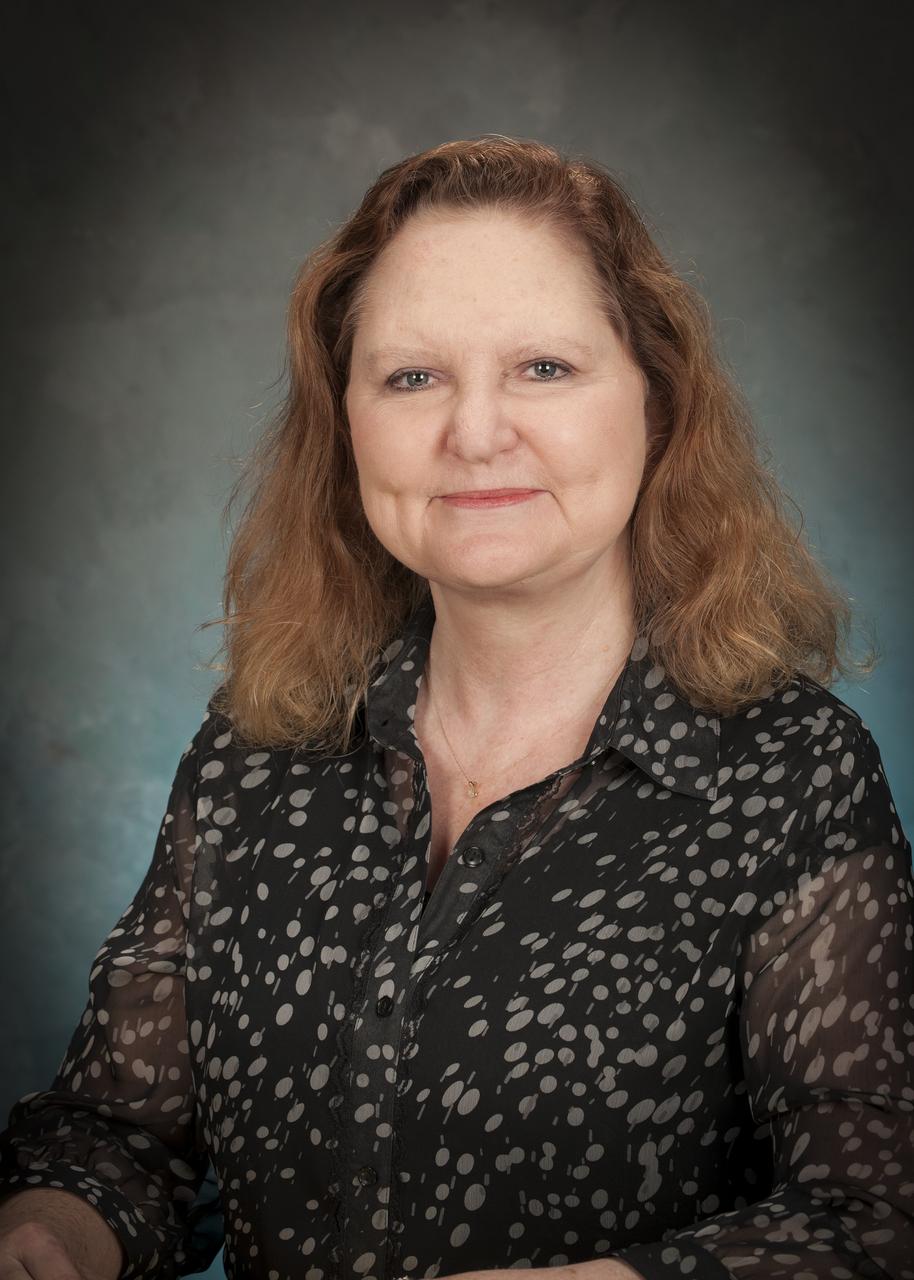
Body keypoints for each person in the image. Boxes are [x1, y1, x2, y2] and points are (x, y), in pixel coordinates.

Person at [0, 134, 911, 1280]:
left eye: (542, 367)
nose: (474, 433)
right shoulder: (254, 755)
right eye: (411, 375)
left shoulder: (791, 774)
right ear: (347, 423)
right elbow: (123, 1137)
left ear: (657, 402)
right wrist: (45, 1237)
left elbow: (874, 1212)